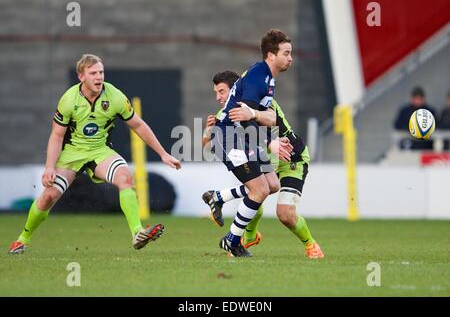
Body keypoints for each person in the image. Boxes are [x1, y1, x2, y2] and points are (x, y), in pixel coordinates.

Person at [9, 54, 181, 254]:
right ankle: (23, 238)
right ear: (81, 76)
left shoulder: (115, 96)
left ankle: (137, 231)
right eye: (93, 73)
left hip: (100, 151)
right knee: (49, 197)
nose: (99, 77)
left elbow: (138, 125)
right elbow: (56, 136)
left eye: (101, 72)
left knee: (125, 177)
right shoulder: (68, 100)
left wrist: (163, 153)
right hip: (71, 154)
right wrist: (49, 167)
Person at [203, 70, 324, 259]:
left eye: (221, 92)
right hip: (265, 157)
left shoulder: (262, 104)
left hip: (291, 158)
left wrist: (252, 116)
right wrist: (210, 128)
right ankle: (248, 236)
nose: (218, 97)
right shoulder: (226, 112)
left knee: (284, 214)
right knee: (257, 192)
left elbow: (271, 121)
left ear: (235, 89)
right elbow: (206, 142)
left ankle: (311, 245)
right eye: (216, 93)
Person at [204, 29, 298, 258]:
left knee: (272, 185)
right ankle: (232, 240)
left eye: (290, 53)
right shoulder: (258, 76)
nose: (290, 58)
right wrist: (269, 142)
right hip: (229, 137)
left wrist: (272, 137)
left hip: (245, 137)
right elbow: (240, 115)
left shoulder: (268, 79)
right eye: (286, 53)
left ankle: (219, 197)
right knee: (260, 189)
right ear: (271, 55)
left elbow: (267, 117)